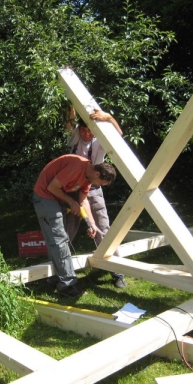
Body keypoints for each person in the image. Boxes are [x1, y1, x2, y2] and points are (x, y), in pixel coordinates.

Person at [33, 154, 117, 297]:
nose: (97, 186)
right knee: (59, 239)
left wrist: (92, 223)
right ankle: (67, 285)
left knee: (58, 240)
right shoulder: (76, 166)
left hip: (55, 197)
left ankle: (55, 278)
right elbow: (52, 187)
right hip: (45, 196)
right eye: (99, 183)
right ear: (97, 174)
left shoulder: (88, 176)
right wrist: (71, 202)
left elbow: (83, 200)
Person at [65, 106, 127, 289]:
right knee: (68, 230)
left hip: (93, 188)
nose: (86, 134)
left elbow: (119, 136)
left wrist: (108, 118)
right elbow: (69, 123)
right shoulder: (75, 137)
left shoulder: (100, 139)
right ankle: (61, 273)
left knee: (103, 227)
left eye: (89, 130)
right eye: (83, 130)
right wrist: (71, 106)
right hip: (72, 188)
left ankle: (117, 271)